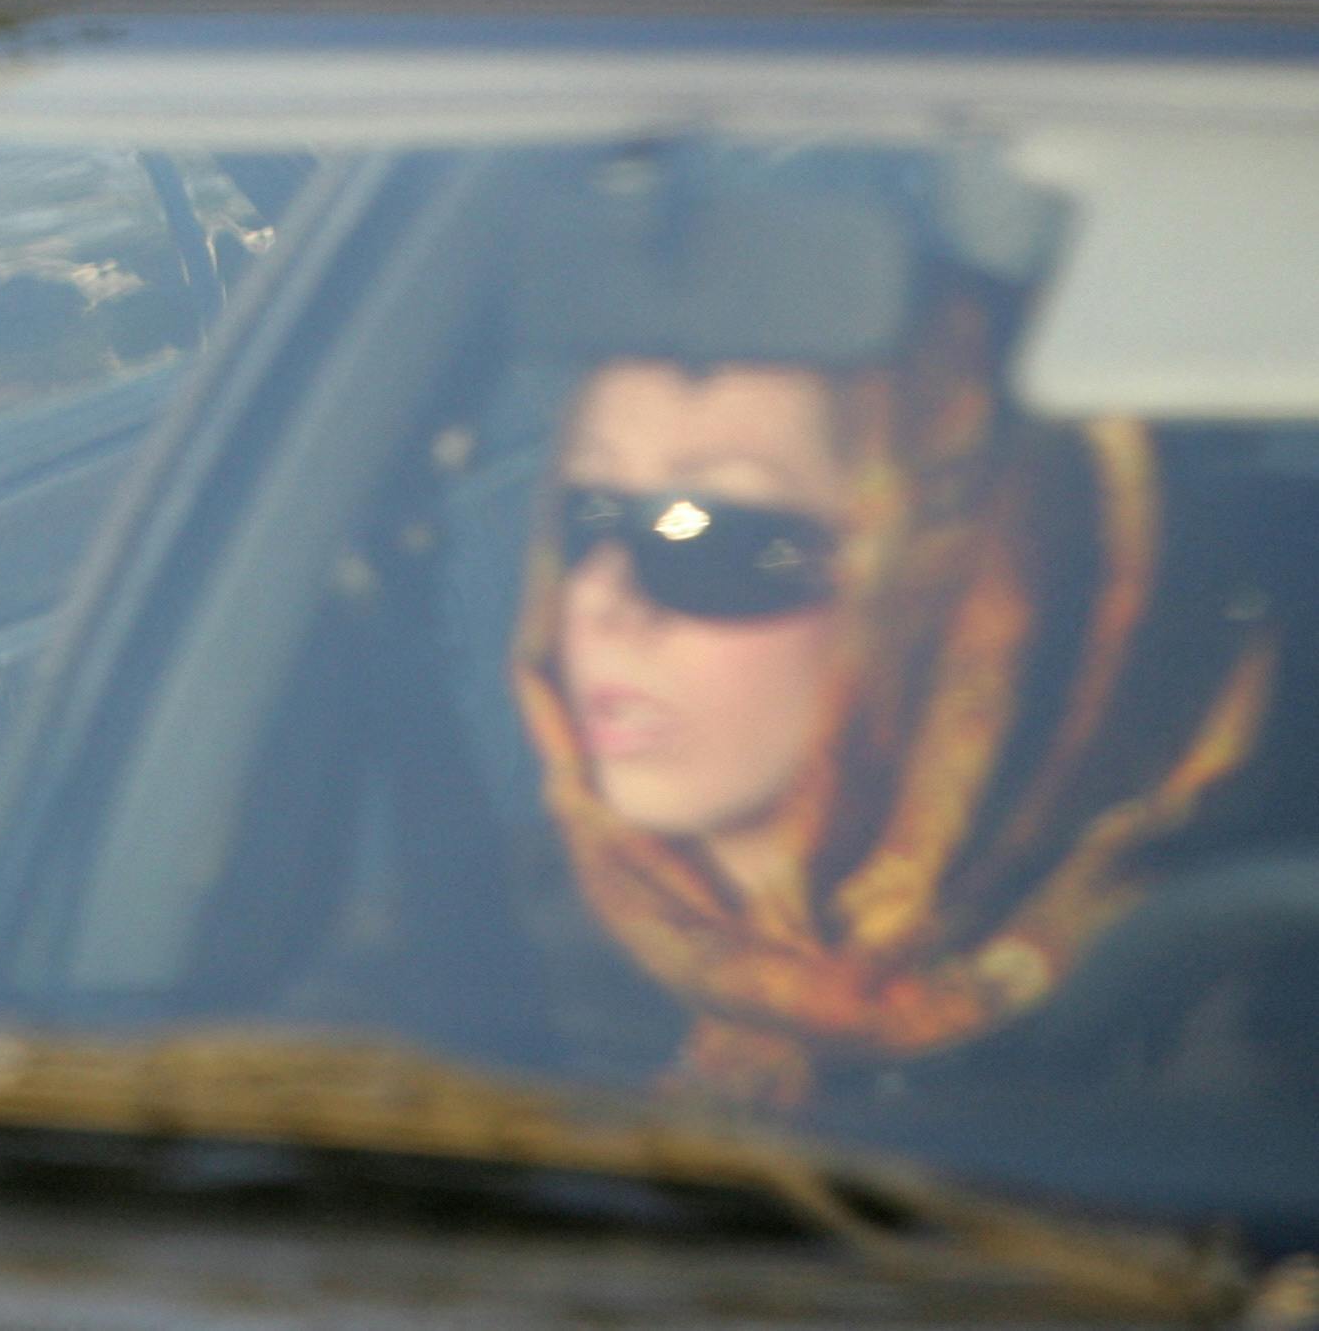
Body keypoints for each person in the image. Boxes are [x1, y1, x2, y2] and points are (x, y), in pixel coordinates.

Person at [510, 282, 1279, 1108]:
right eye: (586, 512)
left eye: (709, 531)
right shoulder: (466, 966)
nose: (597, 598)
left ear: (945, 600)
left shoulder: (1222, 1022)